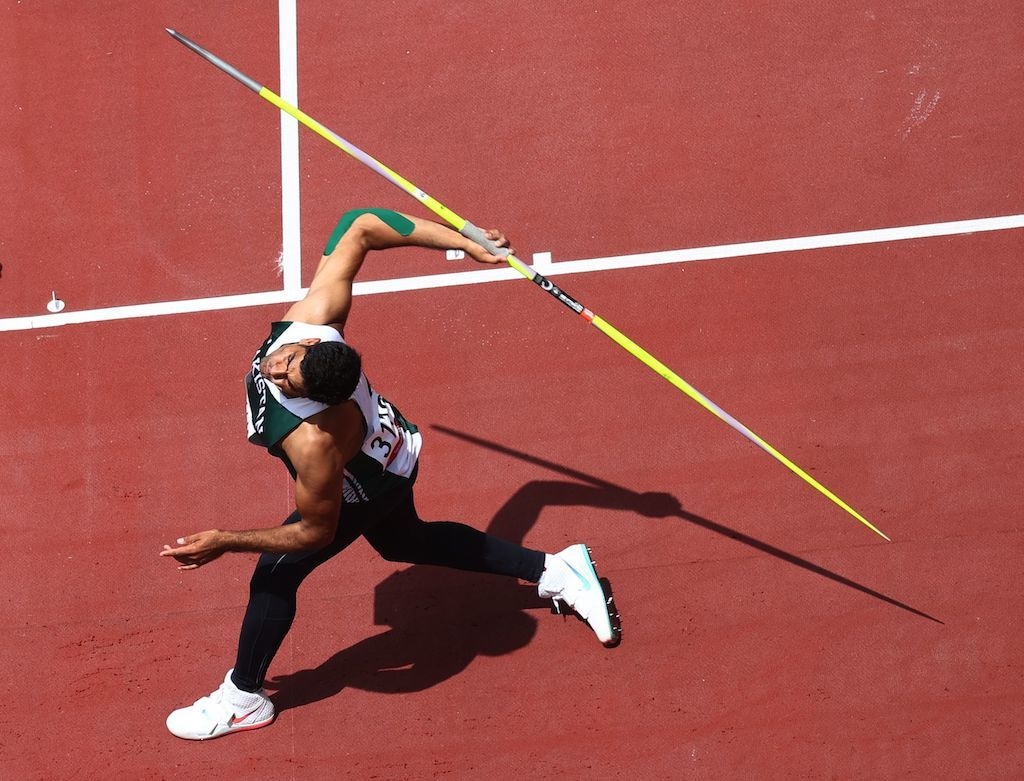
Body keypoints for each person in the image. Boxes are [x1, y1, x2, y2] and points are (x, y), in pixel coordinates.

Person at [160, 208, 621, 740]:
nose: (275, 368)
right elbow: (362, 225)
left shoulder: (315, 444)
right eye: (285, 359)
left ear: (317, 398)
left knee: (276, 571)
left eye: (288, 380)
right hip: (391, 452)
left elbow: (315, 531)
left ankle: (244, 697)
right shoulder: (316, 318)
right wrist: (462, 243)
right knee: (406, 542)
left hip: (368, 480)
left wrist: (225, 541)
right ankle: (558, 570)